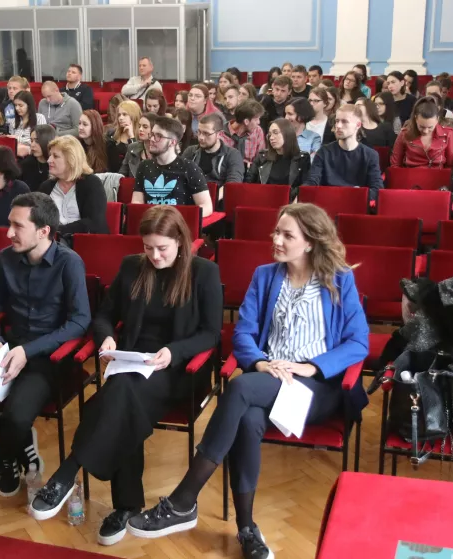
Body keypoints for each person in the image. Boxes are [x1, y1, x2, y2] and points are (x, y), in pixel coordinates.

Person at [125, 203, 369, 559]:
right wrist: (260, 361)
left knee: (238, 387)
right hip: (269, 378)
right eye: (276, 231)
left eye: (287, 235)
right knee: (248, 419)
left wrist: (311, 367)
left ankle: (183, 500)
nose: (277, 239)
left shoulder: (340, 280)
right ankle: (247, 530)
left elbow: (358, 342)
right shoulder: (266, 275)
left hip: (316, 388)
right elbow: (243, 333)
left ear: (312, 243)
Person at [28, 206, 222, 543]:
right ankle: (126, 506)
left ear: (181, 241)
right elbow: (104, 315)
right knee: (123, 397)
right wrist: (107, 337)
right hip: (132, 362)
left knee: (117, 395)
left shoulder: (204, 272)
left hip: (176, 369)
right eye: (148, 248)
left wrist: (174, 352)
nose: (155, 256)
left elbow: (210, 334)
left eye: (162, 248)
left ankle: (70, 470)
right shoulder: (133, 267)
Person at [0, 192, 91, 498]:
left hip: (47, 358)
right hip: (7, 350)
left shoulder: (69, 263)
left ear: (43, 231)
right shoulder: (5, 259)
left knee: (16, 416)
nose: (8, 232)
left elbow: (79, 322)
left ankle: (6, 455)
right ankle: (19, 442)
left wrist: (28, 351)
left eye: (17, 226)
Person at [134, 116, 213, 216]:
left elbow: (206, 206)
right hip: (150, 223)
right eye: (152, 134)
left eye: (158, 136)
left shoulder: (189, 168)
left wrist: (183, 218)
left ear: (172, 142)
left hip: (177, 225)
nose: (152, 139)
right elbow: (136, 202)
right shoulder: (144, 166)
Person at [38, 136, 109, 235]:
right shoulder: (46, 187)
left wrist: (59, 231)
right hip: (52, 243)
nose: (49, 160)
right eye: (50, 155)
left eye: (55, 156)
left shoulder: (92, 183)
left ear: (71, 160)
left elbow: (93, 222)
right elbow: (38, 220)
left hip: (85, 243)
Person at [308, 105, 384, 196]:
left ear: (358, 125)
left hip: (355, 203)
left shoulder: (370, 155)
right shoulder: (324, 152)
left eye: (345, 122)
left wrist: (354, 194)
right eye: (337, 121)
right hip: (329, 201)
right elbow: (312, 181)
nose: (338, 126)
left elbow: (377, 188)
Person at [246, 119, 312, 198]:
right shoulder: (262, 156)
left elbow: (305, 186)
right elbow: (248, 183)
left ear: (288, 133)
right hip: (263, 200)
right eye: (270, 134)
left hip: (290, 205)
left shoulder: (302, 158)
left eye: (275, 133)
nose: (271, 138)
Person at [390, 97, 453, 169]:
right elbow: (395, 164)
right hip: (410, 177)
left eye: (430, 127)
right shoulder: (405, 134)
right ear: (415, 118)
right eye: (421, 127)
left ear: (437, 119)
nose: (426, 131)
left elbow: (450, 165)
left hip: (438, 177)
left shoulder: (448, 134)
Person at [182, 113, 245, 189]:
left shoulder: (232, 155)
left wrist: (212, 198)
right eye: (199, 132)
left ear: (219, 134)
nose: (201, 137)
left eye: (206, 133)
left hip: (217, 198)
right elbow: (179, 176)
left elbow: (233, 183)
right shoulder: (191, 151)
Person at [7, 91, 47, 158]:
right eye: (15, 105)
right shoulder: (13, 122)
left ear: (29, 105)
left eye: (20, 105)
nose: (17, 108)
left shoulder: (39, 118)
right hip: (16, 155)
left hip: (33, 154)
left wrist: (17, 138)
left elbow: (41, 140)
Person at [225, 100, 266, 166]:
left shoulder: (257, 131)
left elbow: (260, 159)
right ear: (246, 121)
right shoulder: (221, 135)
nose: (259, 122)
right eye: (256, 119)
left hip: (250, 173)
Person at [107, 100, 142, 173]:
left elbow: (136, 162)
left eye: (124, 114)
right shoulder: (111, 134)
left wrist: (132, 137)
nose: (120, 118)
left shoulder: (141, 136)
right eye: (119, 115)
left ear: (134, 116)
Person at [120, 113, 156, 179]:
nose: (140, 129)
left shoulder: (161, 151)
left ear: (155, 130)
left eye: (145, 127)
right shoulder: (132, 147)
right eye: (139, 126)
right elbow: (122, 175)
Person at [20, 125, 56, 191]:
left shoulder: (56, 164)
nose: (32, 145)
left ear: (48, 141)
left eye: (37, 141)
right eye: (31, 141)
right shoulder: (26, 164)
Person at [78, 110, 109, 174]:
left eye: (85, 124)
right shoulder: (76, 144)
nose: (80, 127)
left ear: (95, 126)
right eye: (79, 123)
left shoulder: (108, 145)